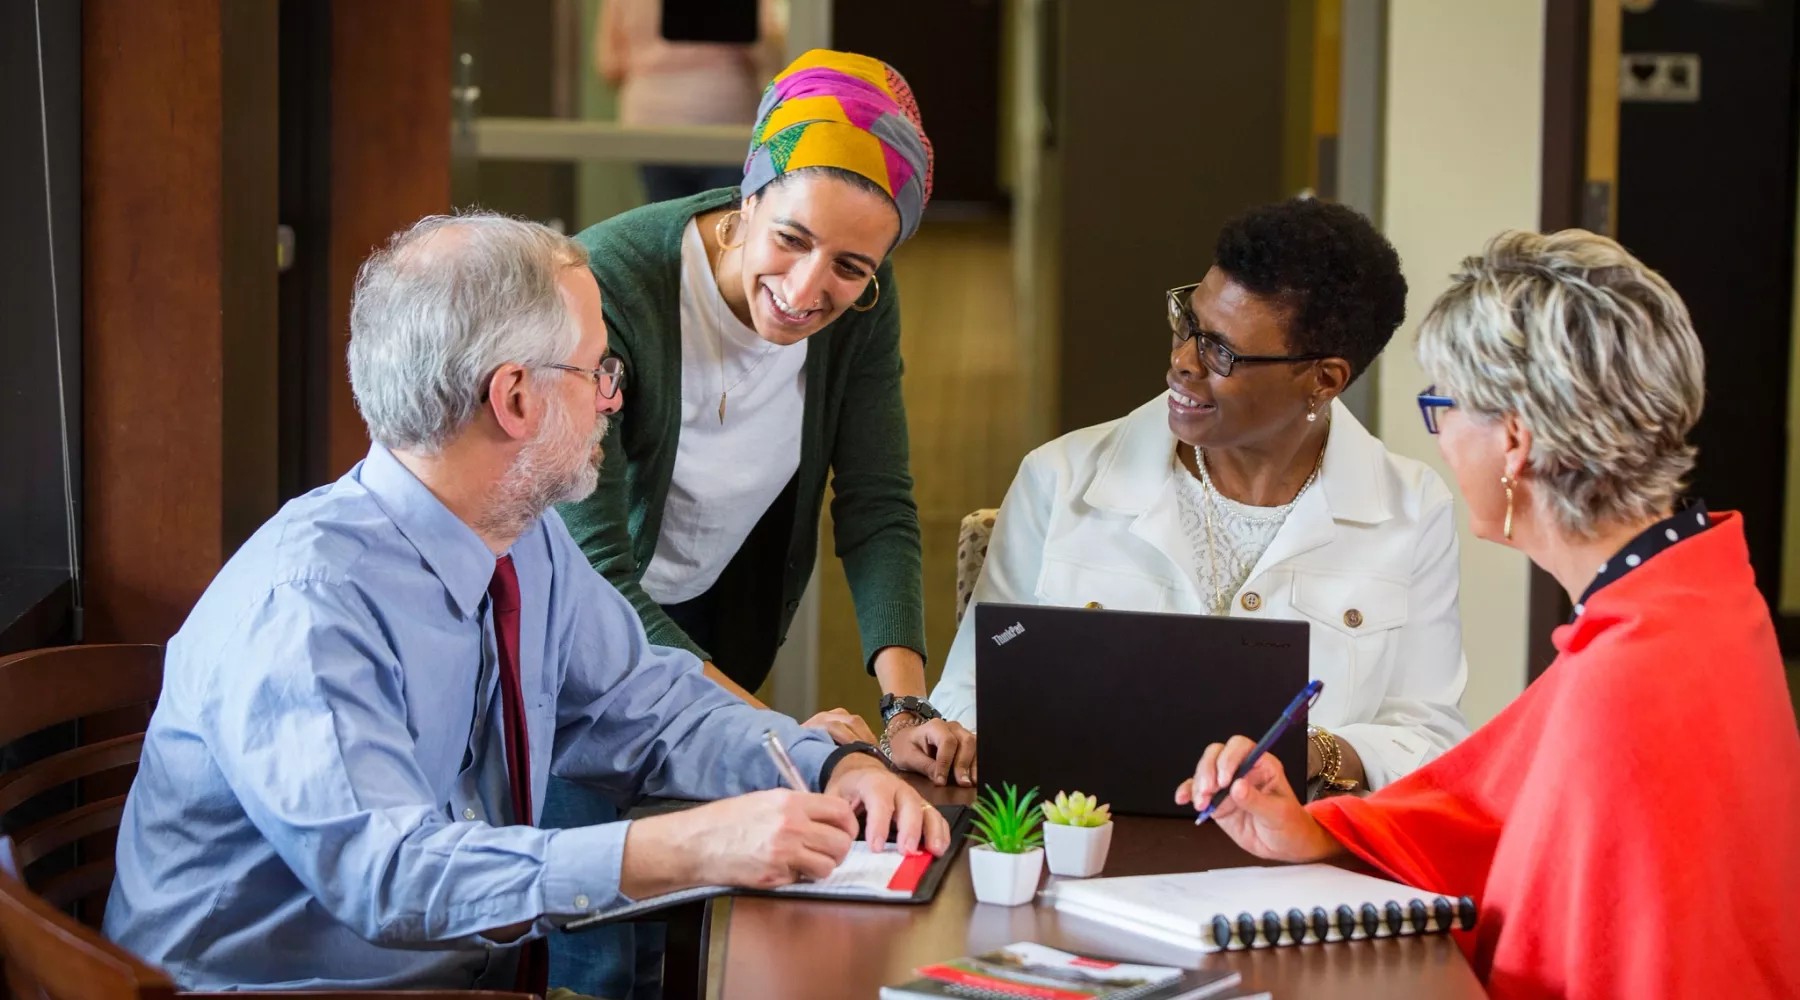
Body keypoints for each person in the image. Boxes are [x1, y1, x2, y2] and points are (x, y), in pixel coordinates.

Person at [102, 213, 949, 992]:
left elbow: (646, 706)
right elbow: (393, 878)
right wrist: (681, 847)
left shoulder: (524, 538)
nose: (613, 399)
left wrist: (831, 765)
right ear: (514, 398)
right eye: (598, 370)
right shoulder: (305, 606)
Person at [1178, 230, 1800, 998]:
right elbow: (1504, 810)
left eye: (1442, 406)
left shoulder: (1629, 678)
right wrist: (1317, 829)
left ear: (1513, 442)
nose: (1438, 439)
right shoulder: (1691, 592)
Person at [931, 198, 1468, 792]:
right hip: (1084, 842)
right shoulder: (1059, 478)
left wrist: (1309, 751)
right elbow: (965, 695)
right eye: (1188, 323)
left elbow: (1429, 737)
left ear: (1324, 379)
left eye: (1221, 351)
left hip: (1296, 861)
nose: (1182, 362)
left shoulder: (1413, 511)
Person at [560, 48, 975, 782]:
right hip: (574, 649)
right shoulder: (611, 288)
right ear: (748, 198)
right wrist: (778, 734)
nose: (806, 289)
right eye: (791, 238)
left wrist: (906, 709)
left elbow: (876, 503)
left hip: (710, 639)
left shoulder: (863, 302)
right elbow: (594, 578)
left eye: (852, 266)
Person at [595, 0, 784, 203]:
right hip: (726, 119)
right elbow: (767, 50)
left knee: (666, 221)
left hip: (650, 121)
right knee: (726, 217)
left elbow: (609, 65)